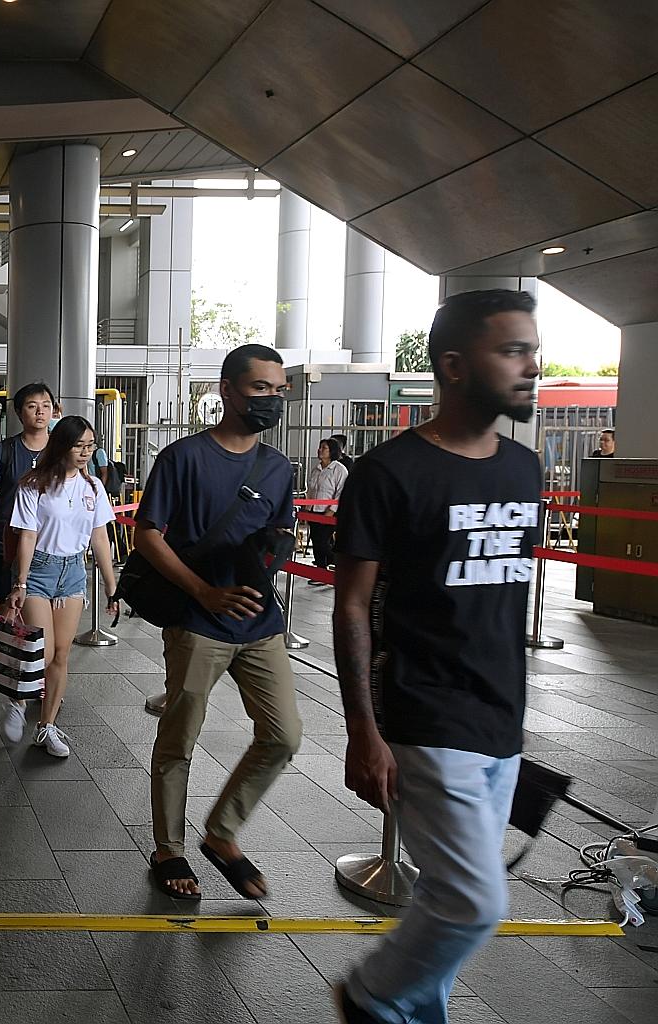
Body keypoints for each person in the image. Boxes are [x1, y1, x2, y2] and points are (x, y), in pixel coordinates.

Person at [332, 290, 542, 1024]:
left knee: (439, 896)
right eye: (512, 351)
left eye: (531, 349)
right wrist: (363, 730)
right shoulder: (389, 474)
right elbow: (353, 604)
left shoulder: (524, 468)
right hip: (424, 716)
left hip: (499, 720)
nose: (531, 366)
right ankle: (369, 995)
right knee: (473, 902)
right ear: (454, 366)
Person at [134, 343, 302, 900]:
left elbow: (281, 532)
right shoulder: (182, 459)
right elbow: (148, 534)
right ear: (227, 390)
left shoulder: (277, 468)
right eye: (261, 389)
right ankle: (169, 849)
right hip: (197, 619)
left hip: (258, 623)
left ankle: (222, 833)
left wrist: (274, 551)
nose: (272, 400)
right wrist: (203, 591)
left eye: (280, 391)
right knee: (179, 737)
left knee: (283, 735)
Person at [4, 416, 119, 757]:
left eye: (91, 446)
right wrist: (21, 582)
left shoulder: (93, 488)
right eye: (79, 445)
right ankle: (19, 696)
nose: (86, 452)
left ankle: (47, 727)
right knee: (44, 649)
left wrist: (112, 587)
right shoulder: (33, 484)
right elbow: (27, 534)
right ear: (61, 445)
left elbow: (100, 538)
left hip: (73, 572)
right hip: (39, 569)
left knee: (62, 655)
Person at [0, 382, 57, 742]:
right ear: (19, 412)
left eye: (46, 405)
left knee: (37, 613)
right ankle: (9, 663)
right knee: (9, 603)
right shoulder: (6, 450)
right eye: (32, 406)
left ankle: (27, 673)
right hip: (10, 541)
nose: (40, 411)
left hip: (51, 547)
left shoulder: (62, 449)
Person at [305, 437, 349, 584]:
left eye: (324, 448)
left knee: (322, 542)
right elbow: (311, 490)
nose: (320, 450)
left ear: (332, 451)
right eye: (320, 447)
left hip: (329, 513)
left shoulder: (339, 470)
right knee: (317, 541)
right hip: (314, 511)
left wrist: (331, 510)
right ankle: (321, 570)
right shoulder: (316, 469)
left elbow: (341, 492)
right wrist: (306, 509)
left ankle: (333, 565)